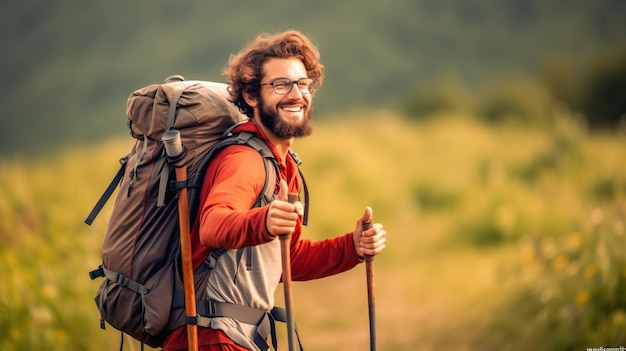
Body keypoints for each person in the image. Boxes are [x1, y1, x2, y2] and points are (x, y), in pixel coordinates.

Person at [162, 30, 388, 351]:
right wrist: (263, 221)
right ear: (252, 96)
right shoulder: (244, 160)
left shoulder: (283, 166)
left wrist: (352, 247)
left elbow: (288, 259)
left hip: (233, 337)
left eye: (303, 83)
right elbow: (212, 226)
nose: (296, 94)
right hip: (210, 339)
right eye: (281, 85)